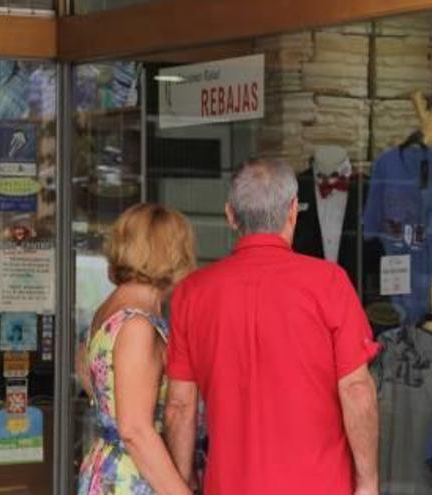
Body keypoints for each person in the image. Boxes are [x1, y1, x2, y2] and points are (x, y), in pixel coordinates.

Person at [165, 159, 381, 495]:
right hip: (319, 485)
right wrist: (367, 482)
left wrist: (183, 478)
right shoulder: (329, 284)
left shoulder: (191, 294)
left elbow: (179, 406)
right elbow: (357, 390)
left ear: (230, 215)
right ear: (294, 210)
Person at [77, 203, 195, 495]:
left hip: (108, 467)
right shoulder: (137, 325)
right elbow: (135, 431)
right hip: (132, 478)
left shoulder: (108, 312)